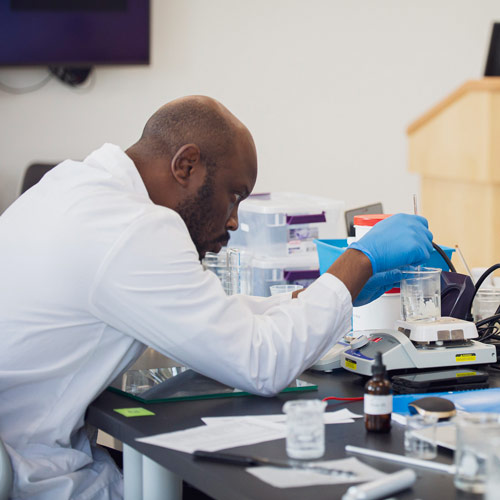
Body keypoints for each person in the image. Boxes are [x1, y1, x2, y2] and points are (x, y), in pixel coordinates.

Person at [0, 95, 433, 499]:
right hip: (37, 476)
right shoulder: (134, 227)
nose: (233, 221)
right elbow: (260, 363)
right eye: (234, 195)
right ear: (186, 165)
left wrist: (323, 294)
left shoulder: (77, 186)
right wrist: (357, 262)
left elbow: (206, 314)